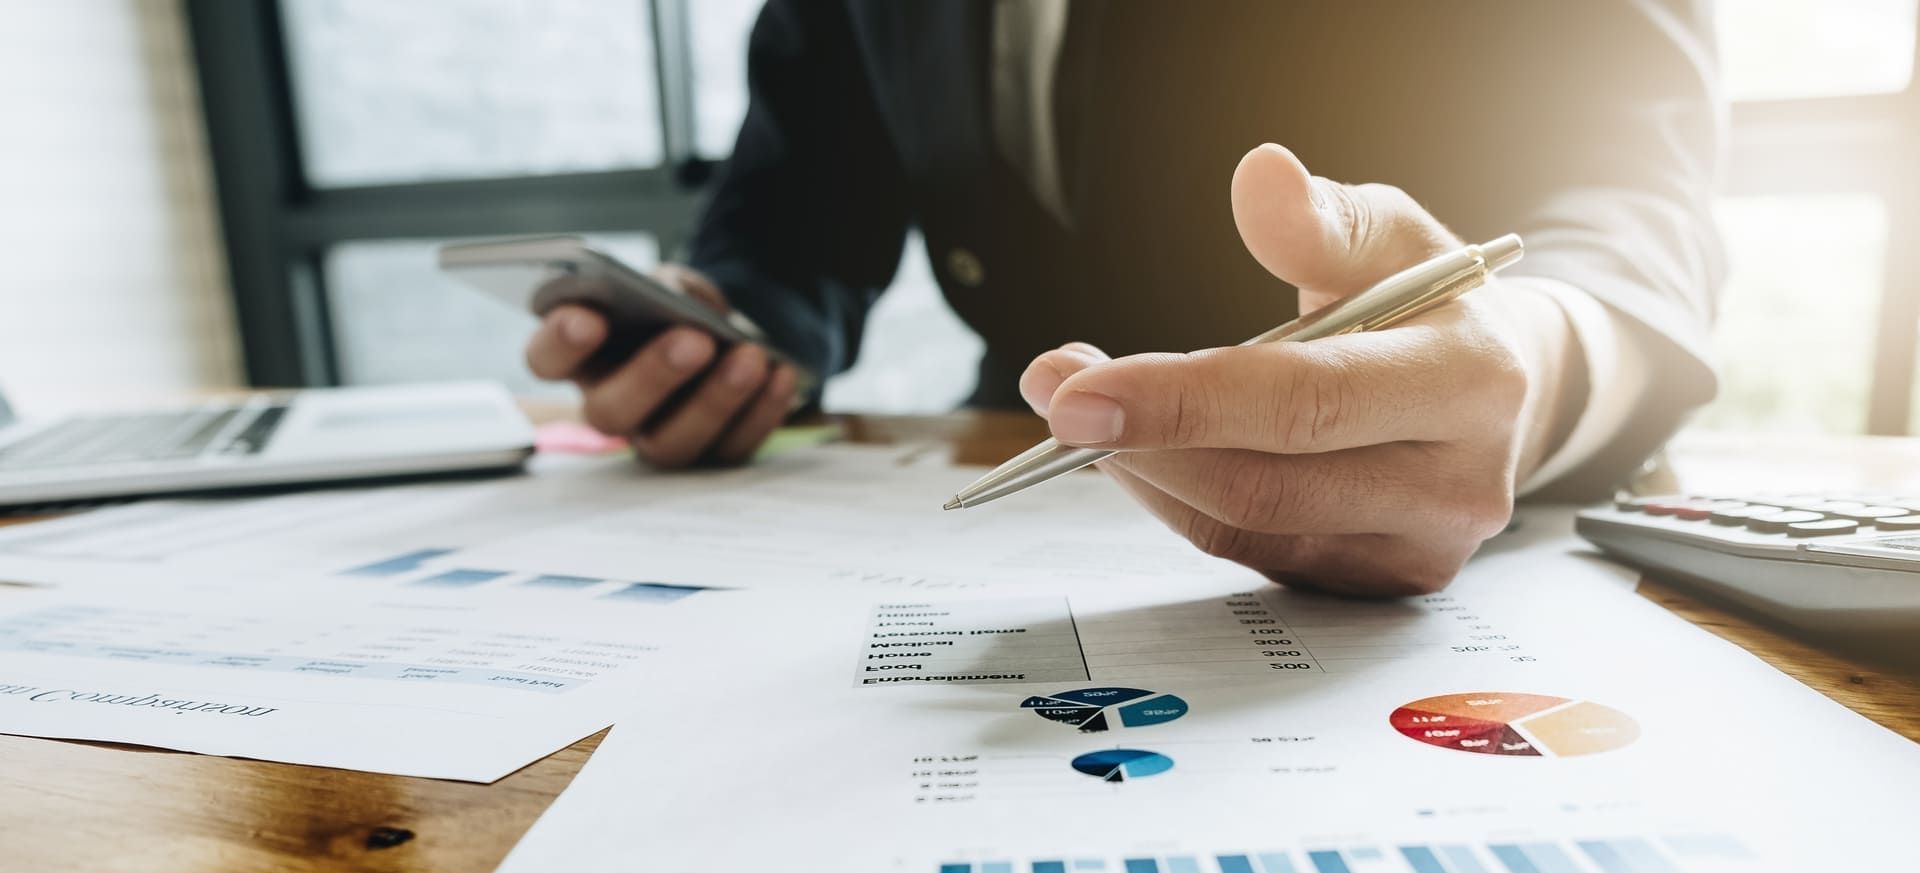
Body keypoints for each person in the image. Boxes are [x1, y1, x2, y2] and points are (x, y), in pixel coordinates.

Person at [524, 1, 1722, 596]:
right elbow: (794, 218)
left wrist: (1535, 358)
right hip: (1018, 477)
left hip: (1508, 495)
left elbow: (1631, 186)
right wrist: (717, 339)